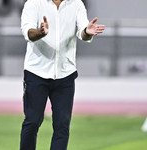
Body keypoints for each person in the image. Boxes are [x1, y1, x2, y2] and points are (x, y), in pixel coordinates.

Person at [20, 0, 105, 149]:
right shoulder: (33, 3)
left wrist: (87, 32)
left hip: (65, 74)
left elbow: (82, 32)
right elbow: (28, 32)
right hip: (36, 72)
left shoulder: (76, 4)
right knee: (32, 121)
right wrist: (41, 32)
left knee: (62, 126)